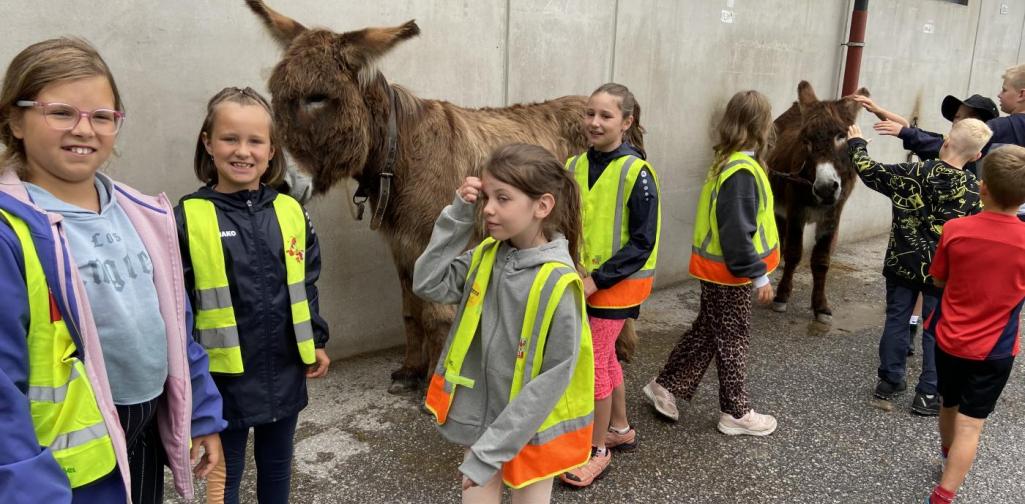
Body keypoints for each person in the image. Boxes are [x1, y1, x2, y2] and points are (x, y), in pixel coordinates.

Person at [0, 37, 225, 503]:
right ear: (15, 120)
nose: (85, 129)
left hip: (143, 429)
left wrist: (199, 413)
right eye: (61, 112)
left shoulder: (143, 213)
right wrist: (25, 484)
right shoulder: (11, 232)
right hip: (65, 465)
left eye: (102, 117)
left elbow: (177, 328)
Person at [175, 86, 330, 504]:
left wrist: (314, 339)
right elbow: (178, 308)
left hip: (284, 369)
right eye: (230, 138)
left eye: (255, 140)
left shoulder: (290, 211)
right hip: (223, 380)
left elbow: (305, 280)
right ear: (208, 143)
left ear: (271, 149)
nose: (242, 151)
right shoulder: (188, 217)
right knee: (224, 475)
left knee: (278, 467)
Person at [416, 143, 593, 503]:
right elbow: (427, 281)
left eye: (503, 198)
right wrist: (459, 216)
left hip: (532, 432)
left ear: (542, 206)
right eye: (485, 197)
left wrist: (488, 453)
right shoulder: (486, 256)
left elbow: (554, 376)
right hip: (484, 428)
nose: (489, 209)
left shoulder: (558, 282)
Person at [643, 90, 779, 436]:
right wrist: (759, 276)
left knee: (708, 331)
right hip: (730, 274)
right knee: (733, 337)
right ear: (762, 126)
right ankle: (736, 412)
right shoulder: (742, 171)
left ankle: (666, 385)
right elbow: (737, 234)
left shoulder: (729, 162)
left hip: (718, 271)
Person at [846, 118, 991, 416]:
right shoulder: (975, 193)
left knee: (897, 319)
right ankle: (927, 394)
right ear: (977, 156)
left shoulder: (911, 172)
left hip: (902, 263)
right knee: (936, 330)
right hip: (944, 274)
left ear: (946, 141)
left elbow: (869, 171)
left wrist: (856, 144)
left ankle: (889, 379)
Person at [559, 82, 660, 487]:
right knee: (605, 358)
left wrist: (597, 279)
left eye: (606, 116)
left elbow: (643, 241)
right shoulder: (573, 166)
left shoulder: (638, 172)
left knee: (596, 361)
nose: (594, 122)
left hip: (615, 286)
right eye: (590, 114)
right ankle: (619, 428)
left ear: (627, 122)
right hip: (583, 280)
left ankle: (596, 450)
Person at [922, 145, 1025, 503]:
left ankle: (948, 456)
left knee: (948, 404)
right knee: (972, 424)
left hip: (949, 339)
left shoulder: (955, 229)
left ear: (982, 187)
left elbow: (938, 279)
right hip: (996, 350)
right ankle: (944, 495)